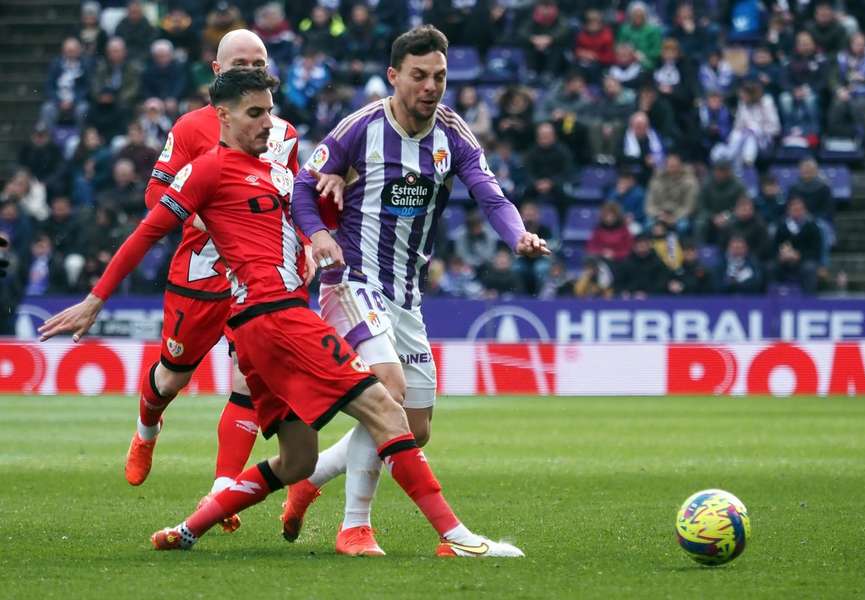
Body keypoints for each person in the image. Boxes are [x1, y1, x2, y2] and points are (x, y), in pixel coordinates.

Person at [38, 68, 523, 559]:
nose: (268, 122)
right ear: (222, 117)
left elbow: (318, 216)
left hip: (260, 327)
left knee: (297, 460)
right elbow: (148, 230)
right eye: (255, 113)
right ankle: (457, 538)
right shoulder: (207, 168)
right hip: (276, 316)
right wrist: (96, 299)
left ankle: (187, 528)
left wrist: (333, 191)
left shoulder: (277, 172)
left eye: (270, 110)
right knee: (384, 409)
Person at [291, 25, 549, 556]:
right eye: (419, 76)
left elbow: (489, 194)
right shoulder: (360, 127)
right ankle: (355, 528)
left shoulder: (453, 134)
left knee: (414, 427)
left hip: (406, 295)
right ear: (394, 77)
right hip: (352, 281)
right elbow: (302, 189)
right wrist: (318, 236)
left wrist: (518, 233)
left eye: (440, 76)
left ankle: (310, 477)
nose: (431, 86)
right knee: (387, 390)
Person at [121, 31, 309, 534]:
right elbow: (154, 194)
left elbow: (293, 201)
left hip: (255, 276)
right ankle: (146, 429)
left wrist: (305, 248)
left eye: (260, 61)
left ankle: (222, 490)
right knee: (172, 376)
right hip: (199, 272)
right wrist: (201, 214)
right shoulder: (190, 128)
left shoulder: (283, 132)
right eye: (240, 63)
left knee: (248, 382)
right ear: (216, 70)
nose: (252, 69)